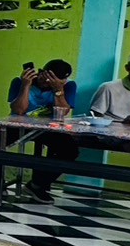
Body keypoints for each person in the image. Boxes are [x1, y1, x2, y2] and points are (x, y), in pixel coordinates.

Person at [6, 58, 78, 202]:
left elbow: (62, 112)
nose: (46, 82)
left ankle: (37, 184)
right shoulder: (20, 81)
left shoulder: (68, 86)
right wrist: (26, 86)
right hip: (20, 126)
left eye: (52, 80)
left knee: (70, 150)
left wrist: (58, 90)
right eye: (44, 77)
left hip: (48, 129)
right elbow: (19, 110)